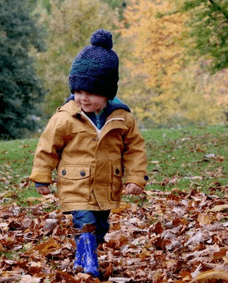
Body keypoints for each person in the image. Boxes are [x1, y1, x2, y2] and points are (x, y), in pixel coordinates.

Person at [29, 29, 148, 278]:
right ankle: (90, 265)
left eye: (91, 92)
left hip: (107, 185)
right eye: (79, 91)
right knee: (85, 223)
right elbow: (47, 145)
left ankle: (82, 258)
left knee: (101, 226)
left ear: (107, 93)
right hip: (74, 183)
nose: (83, 97)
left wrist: (135, 178)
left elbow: (135, 149)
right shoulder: (65, 117)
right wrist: (42, 175)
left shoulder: (122, 118)